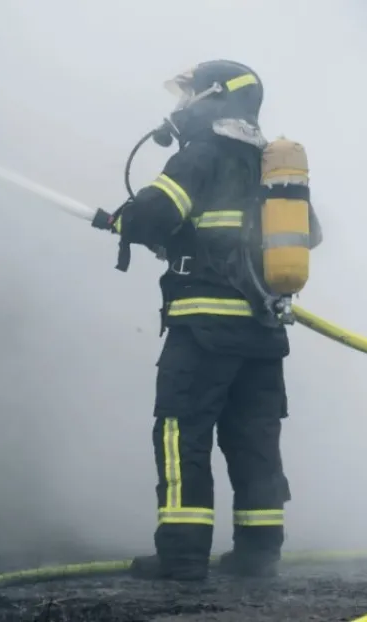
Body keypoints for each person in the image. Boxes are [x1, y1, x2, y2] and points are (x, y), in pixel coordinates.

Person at [92, 59, 322, 582]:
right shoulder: (271, 167)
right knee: (253, 439)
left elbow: (153, 214)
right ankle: (259, 552)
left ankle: (182, 554)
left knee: (181, 433)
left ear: (215, 98)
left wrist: (126, 221)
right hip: (263, 332)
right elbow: (311, 234)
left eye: (189, 94)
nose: (180, 105)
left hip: (202, 329)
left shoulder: (201, 156)